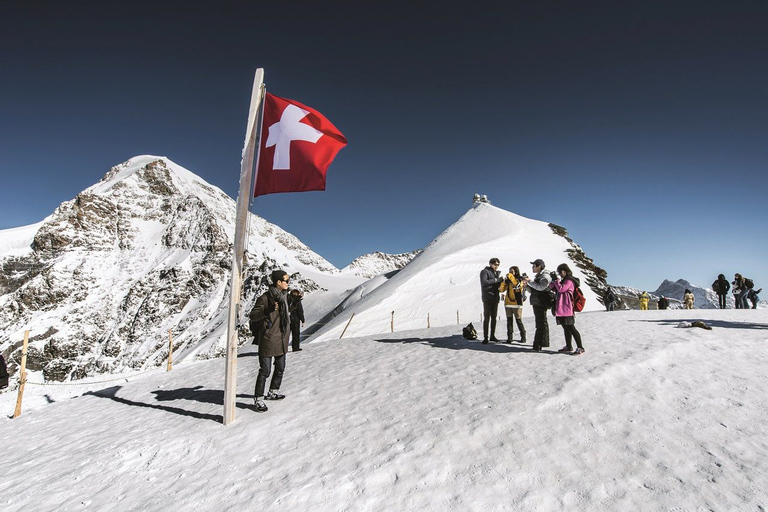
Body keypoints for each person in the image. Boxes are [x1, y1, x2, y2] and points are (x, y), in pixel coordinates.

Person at [249, 269, 291, 413]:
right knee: (265, 370)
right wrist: (267, 310)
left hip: (282, 338)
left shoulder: (285, 297)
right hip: (268, 339)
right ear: (278, 282)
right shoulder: (265, 298)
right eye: (286, 281)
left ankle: (273, 391)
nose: (288, 283)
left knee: (280, 368)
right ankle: (258, 398)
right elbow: (253, 315)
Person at [549, 263, 585, 355]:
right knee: (566, 328)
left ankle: (580, 347)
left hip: (567, 308)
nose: (559, 274)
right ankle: (569, 346)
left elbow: (561, 289)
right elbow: (552, 288)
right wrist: (553, 280)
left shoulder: (569, 281)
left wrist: (556, 281)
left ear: (565, 271)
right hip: (561, 308)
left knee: (571, 328)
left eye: (560, 272)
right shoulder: (563, 280)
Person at [524, 259, 551, 352]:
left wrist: (530, 281)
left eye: (534, 266)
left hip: (541, 302)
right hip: (538, 301)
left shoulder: (545, 276)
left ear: (539, 266)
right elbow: (534, 290)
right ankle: (540, 344)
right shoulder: (539, 276)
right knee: (540, 323)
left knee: (541, 324)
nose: (532, 268)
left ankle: (538, 345)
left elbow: (541, 287)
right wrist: (527, 286)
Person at [499, 266, 526, 343]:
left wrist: (510, 276)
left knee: (518, 320)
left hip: (517, 304)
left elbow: (517, 285)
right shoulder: (508, 281)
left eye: (512, 272)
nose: (510, 273)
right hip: (508, 303)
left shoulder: (520, 279)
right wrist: (504, 282)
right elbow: (501, 290)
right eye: (509, 271)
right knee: (509, 321)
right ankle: (509, 337)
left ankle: (523, 336)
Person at [479, 258, 504, 343]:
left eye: (498, 265)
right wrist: (496, 280)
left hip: (495, 297)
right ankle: (485, 337)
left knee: (494, 318)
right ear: (490, 264)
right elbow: (484, 282)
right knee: (487, 318)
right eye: (495, 264)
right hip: (487, 298)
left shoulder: (496, 273)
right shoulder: (484, 272)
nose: (496, 266)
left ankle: (492, 336)